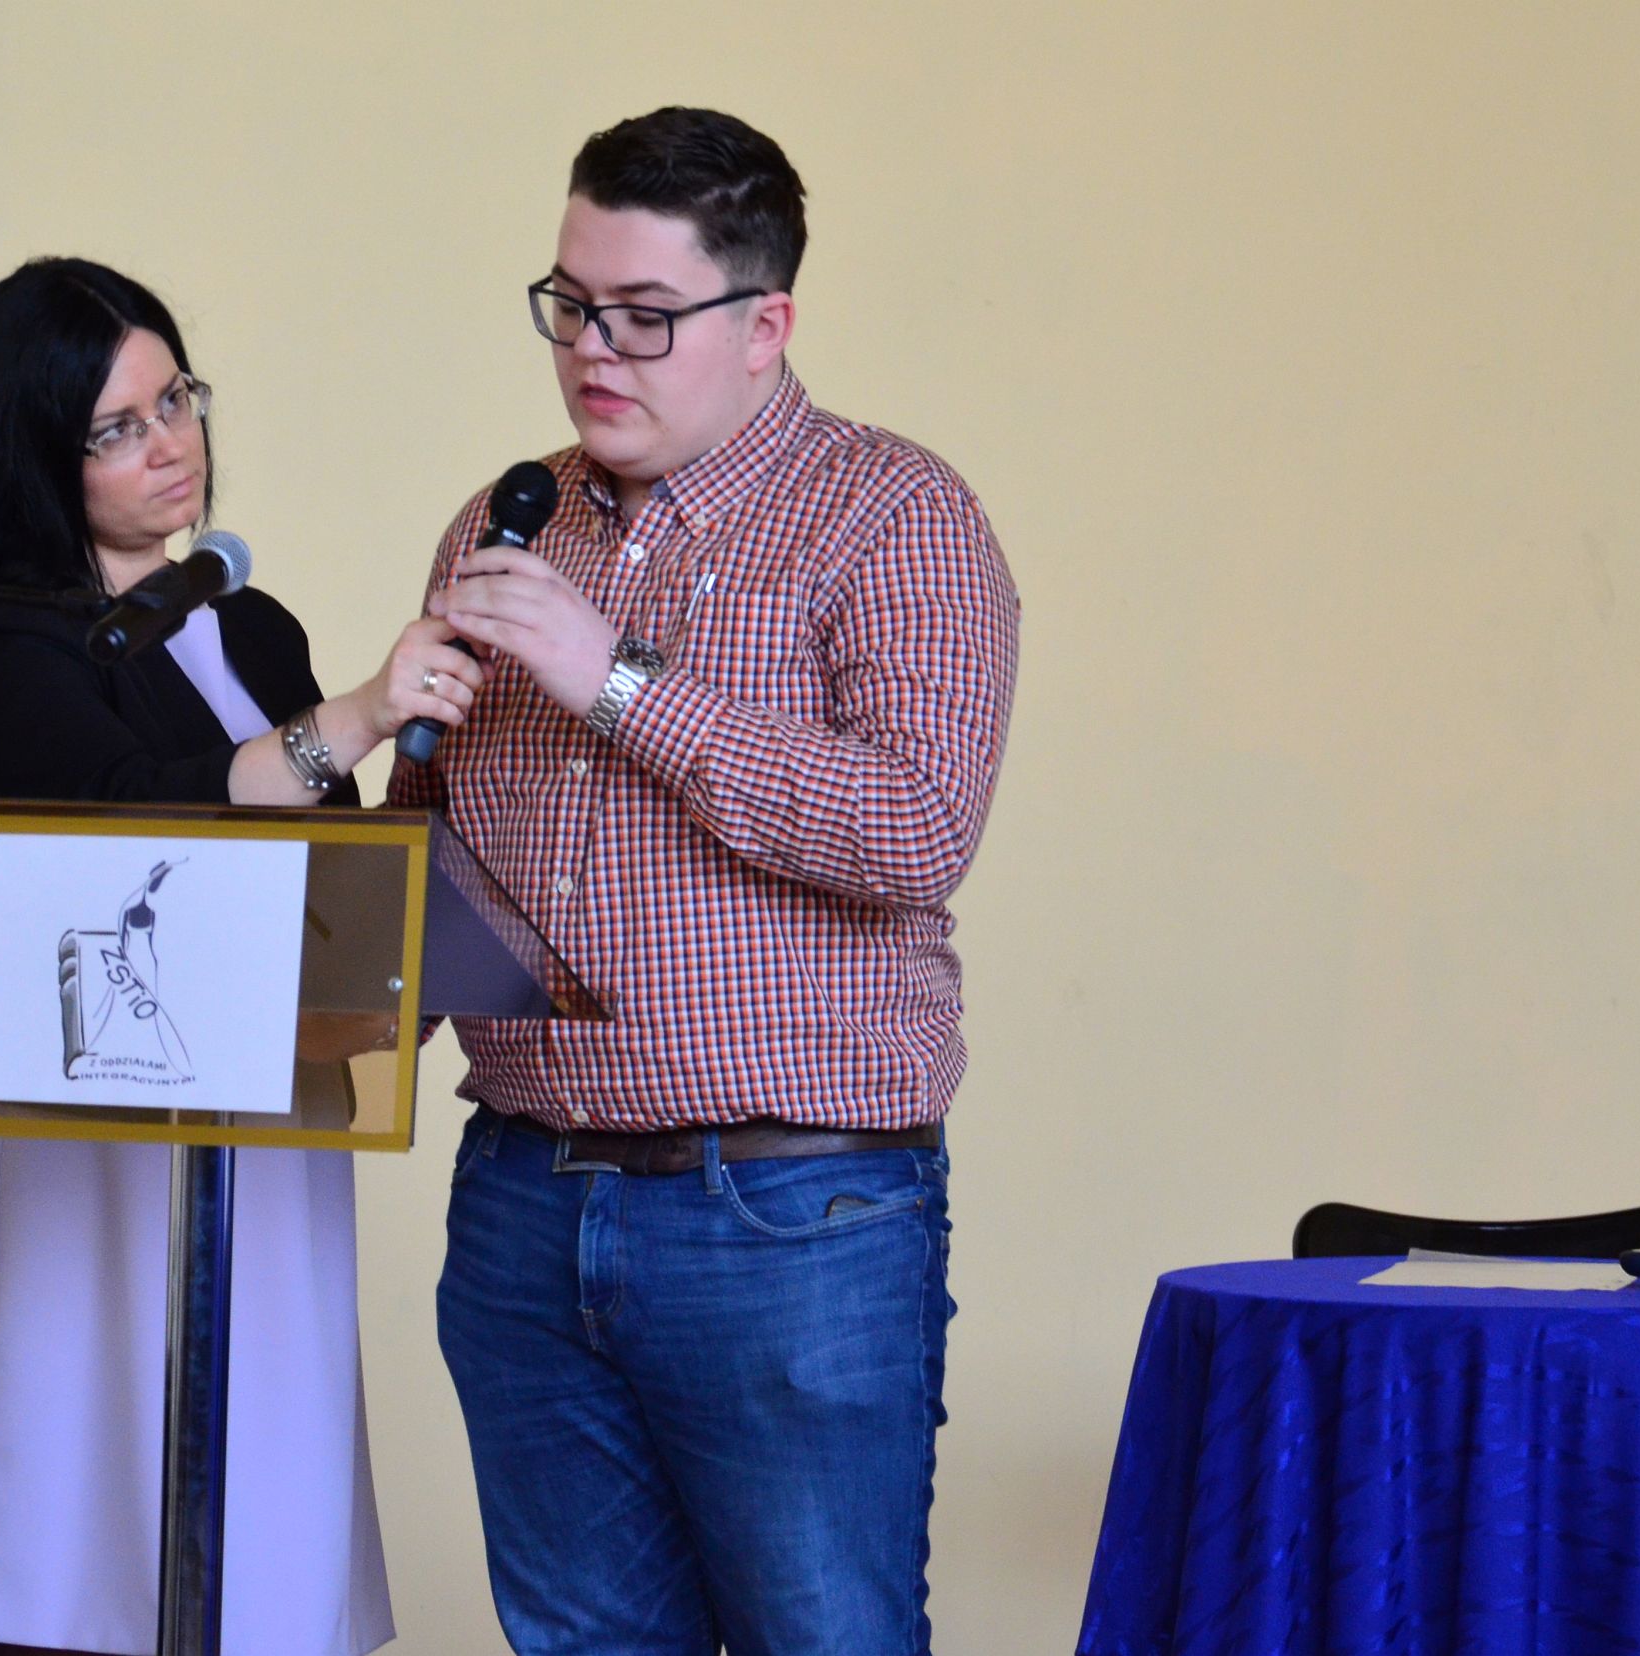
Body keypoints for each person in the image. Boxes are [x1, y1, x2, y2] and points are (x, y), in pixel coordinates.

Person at [387, 109, 1021, 1655]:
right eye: (569, 304)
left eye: (644, 316)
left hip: (787, 1214)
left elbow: (913, 827)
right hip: (526, 1204)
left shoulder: (895, 515)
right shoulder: (507, 521)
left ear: (765, 325)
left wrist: (613, 680)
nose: (592, 350)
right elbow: (435, 857)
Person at [0, 257, 479, 1656]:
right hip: (79, 1133)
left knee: (253, 1536)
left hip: (262, 1110)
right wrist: (360, 712)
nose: (172, 444)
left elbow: (322, 878)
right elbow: (135, 816)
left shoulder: (253, 627)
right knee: (83, 1546)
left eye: (177, 399)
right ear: (36, 456)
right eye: (119, 427)